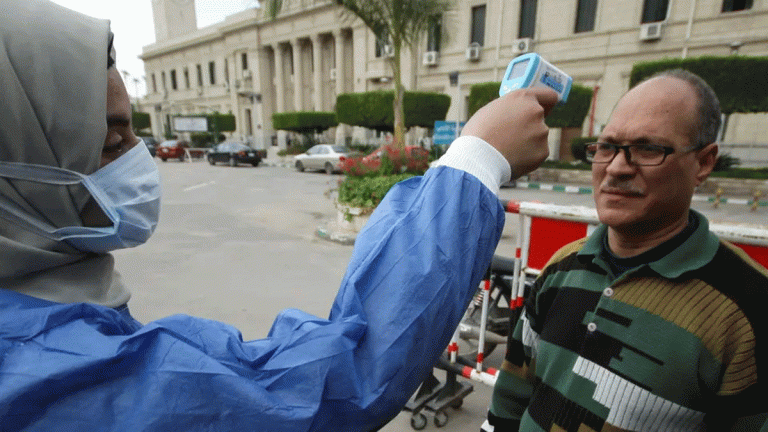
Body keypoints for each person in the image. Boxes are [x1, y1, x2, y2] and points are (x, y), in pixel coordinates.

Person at [0, 1, 558, 430]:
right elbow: (331, 384)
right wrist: (477, 160)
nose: (136, 158)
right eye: (110, 141)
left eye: (132, 134)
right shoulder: (39, 367)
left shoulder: (45, 313)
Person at [483, 69, 768, 431]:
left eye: (648, 149)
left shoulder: (751, 309)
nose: (616, 168)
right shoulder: (563, 267)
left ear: (704, 162)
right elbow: (511, 397)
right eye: (607, 147)